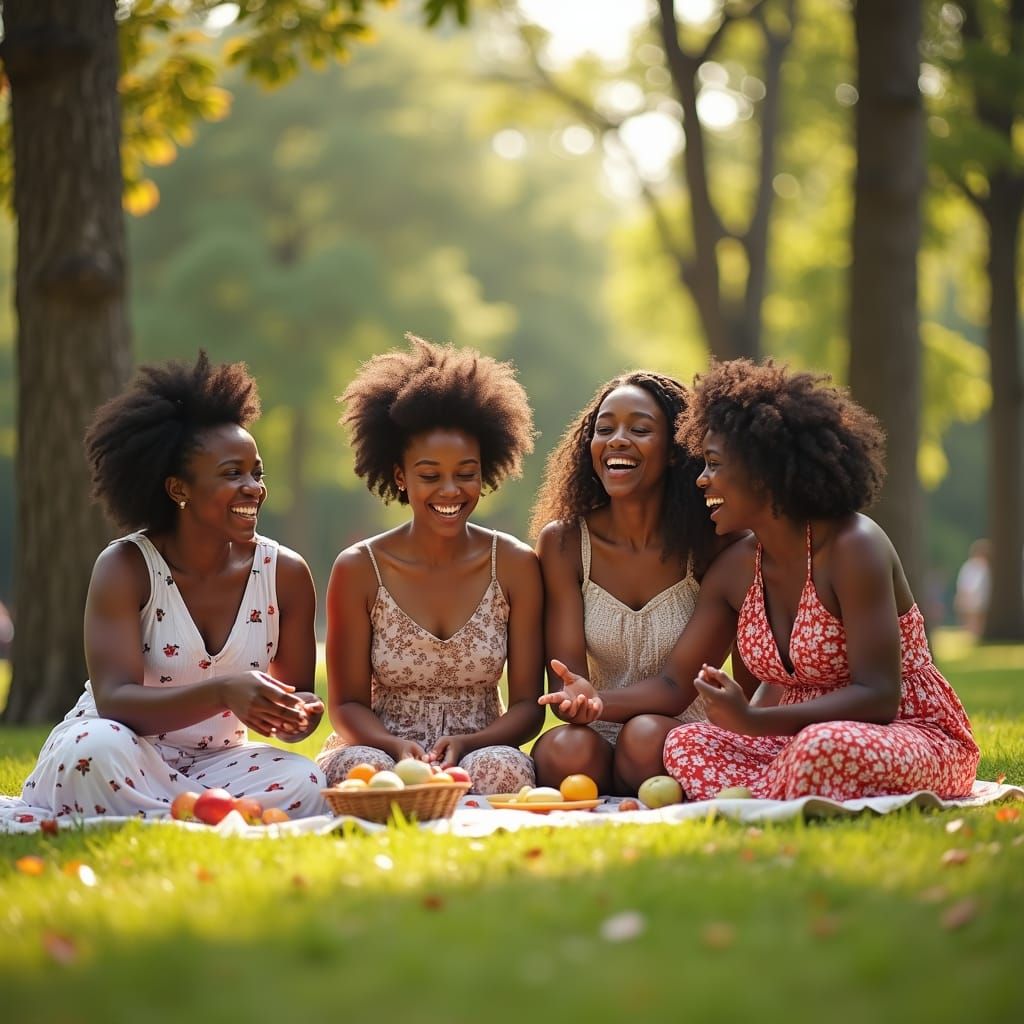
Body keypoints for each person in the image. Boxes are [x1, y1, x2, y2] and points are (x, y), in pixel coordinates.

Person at [546, 359, 979, 802]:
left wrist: (752, 723)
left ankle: (765, 790)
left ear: (762, 471)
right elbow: (676, 686)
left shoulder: (854, 545)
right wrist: (594, 699)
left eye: (713, 464)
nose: (700, 479)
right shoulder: (737, 567)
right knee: (682, 743)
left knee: (822, 746)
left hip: (903, 732)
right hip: (787, 739)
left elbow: (879, 697)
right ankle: (776, 790)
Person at [1, 353, 327, 827]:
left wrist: (298, 717)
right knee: (91, 753)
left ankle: (173, 816)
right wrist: (224, 692)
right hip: (124, 750)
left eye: (256, 472)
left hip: (219, 764)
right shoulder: (126, 566)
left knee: (306, 781)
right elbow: (116, 701)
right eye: (232, 473)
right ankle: (206, 819)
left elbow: (296, 707)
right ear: (179, 489)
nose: (253, 487)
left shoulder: (286, 573)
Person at [316, 335, 544, 794]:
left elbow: (527, 706)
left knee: (505, 771)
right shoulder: (360, 568)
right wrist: (396, 747)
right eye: (429, 475)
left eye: (466, 474)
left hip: (482, 746)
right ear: (400, 477)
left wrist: (469, 743)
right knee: (357, 769)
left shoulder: (515, 564)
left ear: (486, 471)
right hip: (380, 744)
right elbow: (346, 704)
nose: (450, 491)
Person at [529, 371, 746, 795]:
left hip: (677, 727)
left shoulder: (714, 545)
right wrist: (575, 697)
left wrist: (598, 701)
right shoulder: (564, 541)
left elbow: (676, 688)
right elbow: (565, 674)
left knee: (643, 735)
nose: (617, 440)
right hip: (595, 727)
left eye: (640, 429)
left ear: (673, 451)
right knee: (562, 751)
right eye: (604, 429)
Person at [954, 539, 991, 639]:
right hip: (973, 600)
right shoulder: (970, 567)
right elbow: (965, 586)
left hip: (981, 600)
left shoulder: (986, 568)